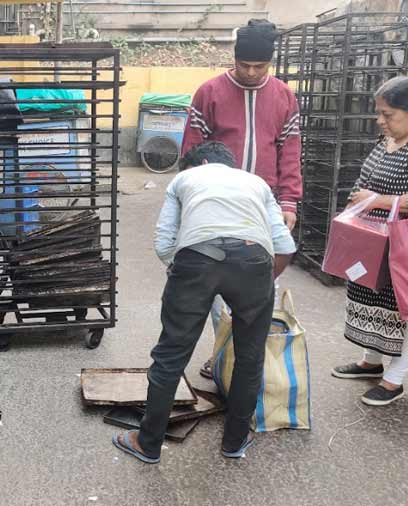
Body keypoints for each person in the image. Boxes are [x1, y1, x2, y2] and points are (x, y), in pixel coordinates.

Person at [112, 142, 296, 462]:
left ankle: (149, 443)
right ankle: (234, 442)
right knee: (250, 358)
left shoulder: (184, 180)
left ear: (201, 163)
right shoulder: (257, 183)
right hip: (254, 260)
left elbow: (164, 241)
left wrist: (181, 268)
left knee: (171, 353)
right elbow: (284, 245)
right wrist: (264, 282)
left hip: (196, 260)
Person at [180, 19, 303, 379]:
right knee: (217, 283)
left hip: (264, 206)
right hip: (216, 205)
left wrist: (290, 201)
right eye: (244, 64)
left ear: (270, 63)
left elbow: (290, 152)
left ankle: (242, 357)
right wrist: (190, 200)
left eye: (259, 66)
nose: (250, 72)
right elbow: (192, 151)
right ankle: (224, 354)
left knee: (262, 282)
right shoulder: (209, 92)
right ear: (233, 58)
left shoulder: (284, 96)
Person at [331, 76, 408, 406]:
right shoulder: (389, 138)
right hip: (379, 240)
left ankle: (394, 379)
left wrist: (378, 200)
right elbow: (366, 177)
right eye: (380, 113)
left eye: (388, 114)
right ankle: (371, 362)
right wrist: (359, 199)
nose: (380, 121)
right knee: (374, 294)